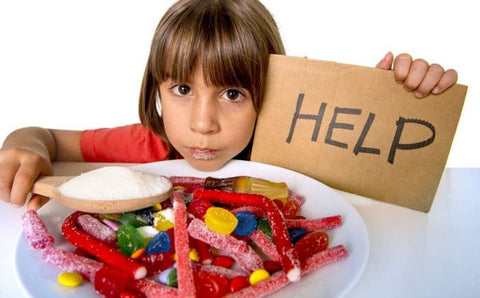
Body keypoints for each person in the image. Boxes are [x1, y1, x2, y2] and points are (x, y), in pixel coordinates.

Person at [0, 0, 458, 210]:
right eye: (181, 90)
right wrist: (26, 147)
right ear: (155, 90)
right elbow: (43, 135)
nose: (203, 124)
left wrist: (396, 98)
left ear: (271, 93)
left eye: (233, 93)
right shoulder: (148, 146)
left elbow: (381, 176)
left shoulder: (299, 152)